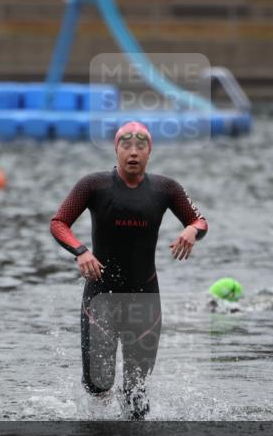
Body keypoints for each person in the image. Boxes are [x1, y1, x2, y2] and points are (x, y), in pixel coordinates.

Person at [50, 121, 208, 419]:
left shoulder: (166, 188)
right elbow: (59, 223)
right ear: (116, 150)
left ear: (150, 152)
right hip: (101, 298)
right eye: (126, 145)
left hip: (144, 299)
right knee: (97, 386)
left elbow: (200, 221)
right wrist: (81, 251)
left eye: (140, 146)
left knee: (136, 395)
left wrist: (191, 231)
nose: (133, 153)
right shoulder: (93, 186)